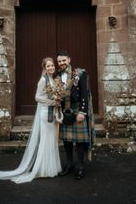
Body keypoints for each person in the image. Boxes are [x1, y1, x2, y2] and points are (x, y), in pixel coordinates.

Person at [0, 57, 62, 184]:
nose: (51, 68)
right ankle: (41, 169)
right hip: (45, 113)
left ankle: (50, 168)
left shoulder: (53, 80)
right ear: (44, 68)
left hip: (52, 112)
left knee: (51, 140)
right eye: (48, 66)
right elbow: (37, 97)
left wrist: (57, 101)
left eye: (52, 65)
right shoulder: (43, 80)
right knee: (45, 140)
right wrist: (52, 102)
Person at [56, 51, 95, 180]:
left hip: (77, 110)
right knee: (66, 140)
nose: (61, 63)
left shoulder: (80, 73)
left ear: (69, 60)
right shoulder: (57, 76)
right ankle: (69, 165)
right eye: (59, 61)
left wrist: (82, 112)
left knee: (79, 142)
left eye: (63, 60)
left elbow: (84, 92)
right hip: (65, 111)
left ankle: (80, 167)